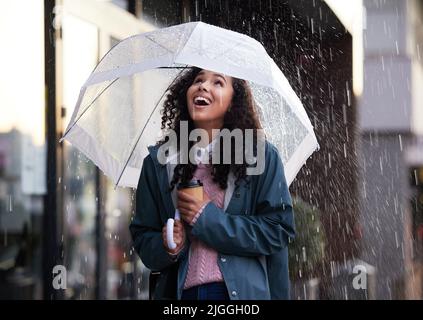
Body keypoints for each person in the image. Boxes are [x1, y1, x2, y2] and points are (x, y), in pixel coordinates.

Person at [129, 67, 295, 300]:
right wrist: (168, 245)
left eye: (218, 82)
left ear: (233, 100)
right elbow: (143, 237)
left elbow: (277, 231)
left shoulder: (260, 157)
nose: (203, 86)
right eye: (198, 80)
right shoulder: (158, 163)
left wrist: (206, 218)